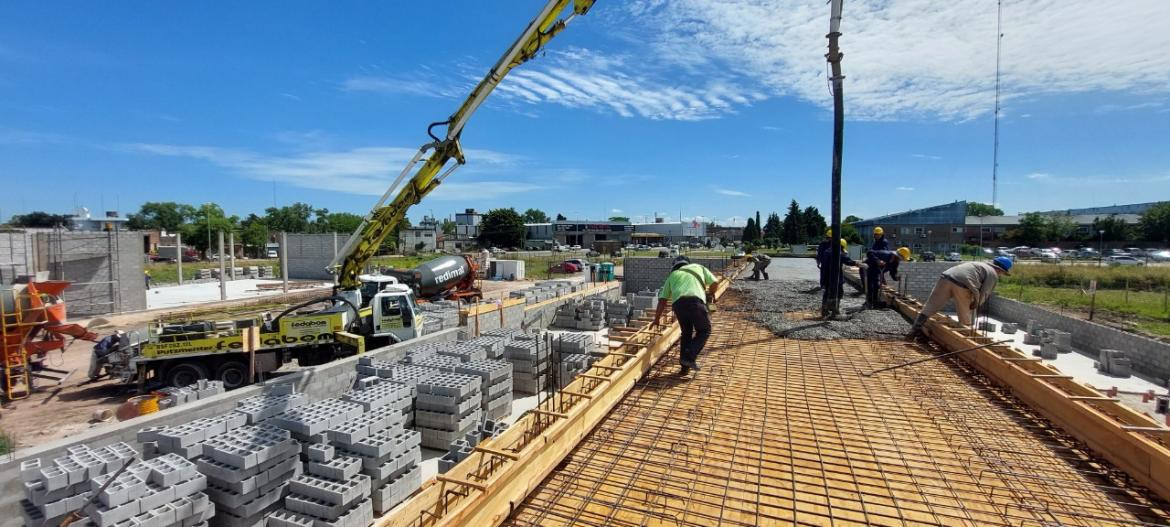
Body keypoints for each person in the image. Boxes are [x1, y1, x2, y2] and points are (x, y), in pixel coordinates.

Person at [907, 257, 1012, 339]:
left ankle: (914, 331)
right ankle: (965, 339)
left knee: (930, 306)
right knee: (966, 317)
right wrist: (976, 304)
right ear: (1000, 270)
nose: (1001, 275)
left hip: (946, 277)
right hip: (963, 285)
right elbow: (985, 293)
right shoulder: (993, 273)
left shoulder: (979, 265)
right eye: (1002, 273)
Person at [651, 256, 718, 375]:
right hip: (695, 302)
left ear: (675, 267)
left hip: (678, 305)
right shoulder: (698, 267)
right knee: (704, 330)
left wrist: (656, 319)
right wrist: (711, 293)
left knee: (686, 333)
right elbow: (714, 282)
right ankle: (689, 356)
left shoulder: (672, 276)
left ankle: (684, 368)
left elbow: (662, 300)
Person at [820, 238, 860, 314]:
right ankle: (835, 310)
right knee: (839, 292)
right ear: (842, 246)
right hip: (836, 278)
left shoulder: (827, 251)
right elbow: (848, 261)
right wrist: (857, 263)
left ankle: (825, 310)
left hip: (826, 276)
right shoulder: (838, 253)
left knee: (827, 292)